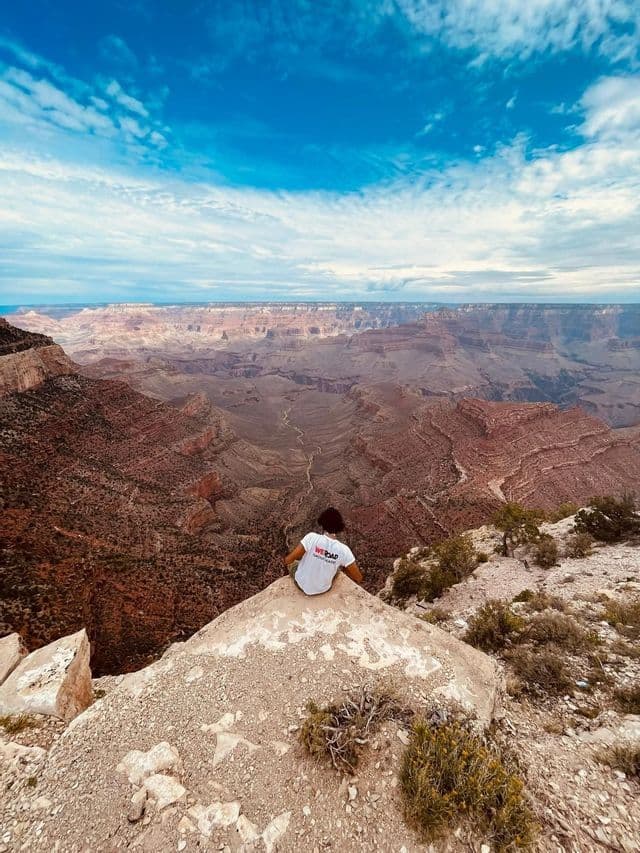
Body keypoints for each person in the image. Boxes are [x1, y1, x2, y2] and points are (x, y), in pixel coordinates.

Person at [284, 507, 363, 595]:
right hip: (322, 589)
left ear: (322, 523)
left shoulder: (311, 538)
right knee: (336, 569)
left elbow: (289, 560)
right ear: (339, 526)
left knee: (294, 563)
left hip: (301, 585)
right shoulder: (344, 550)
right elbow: (358, 577)